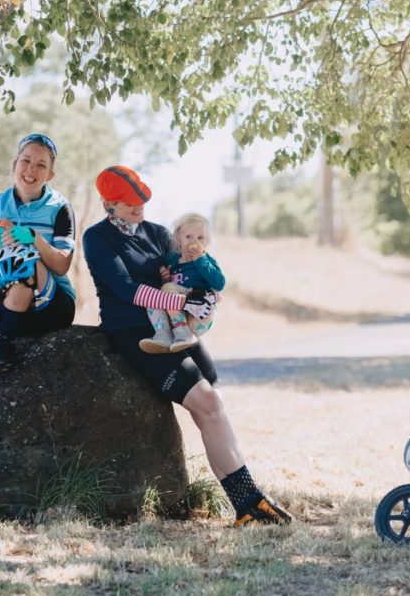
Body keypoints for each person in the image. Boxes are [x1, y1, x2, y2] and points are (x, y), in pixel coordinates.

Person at [82, 165, 293, 526]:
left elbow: (186, 269)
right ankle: (247, 502)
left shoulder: (157, 233)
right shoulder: (97, 237)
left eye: (142, 200)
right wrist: (182, 302)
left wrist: (205, 297)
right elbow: (126, 289)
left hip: (178, 327)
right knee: (207, 403)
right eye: (129, 203)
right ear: (108, 204)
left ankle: (249, 502)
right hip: (134, 331)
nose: (139, 208)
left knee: (216, 403)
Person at [0, 133, 77, 373]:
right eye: (25, 161)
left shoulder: (60, 207)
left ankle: (7, 341)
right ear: (14, 164)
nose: (31, 169)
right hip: (7, 305)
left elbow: (62, 265)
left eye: (41, 165)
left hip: (52, 306)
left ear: (49, 175)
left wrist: (33, 237)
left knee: (22, 255)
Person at [140, 212, 226, 354]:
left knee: (167, 289)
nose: (194, 241)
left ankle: (184, 333)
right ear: (178, 238)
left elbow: (220, 284)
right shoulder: (172, 259)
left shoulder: (207, 260)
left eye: (200, 237)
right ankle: (163, 335)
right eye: (188, 237)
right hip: (178, 316)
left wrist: (200, 260)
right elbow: (169, 287)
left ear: (207, 241)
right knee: (154, 296)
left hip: (199, 316)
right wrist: (166, 278)